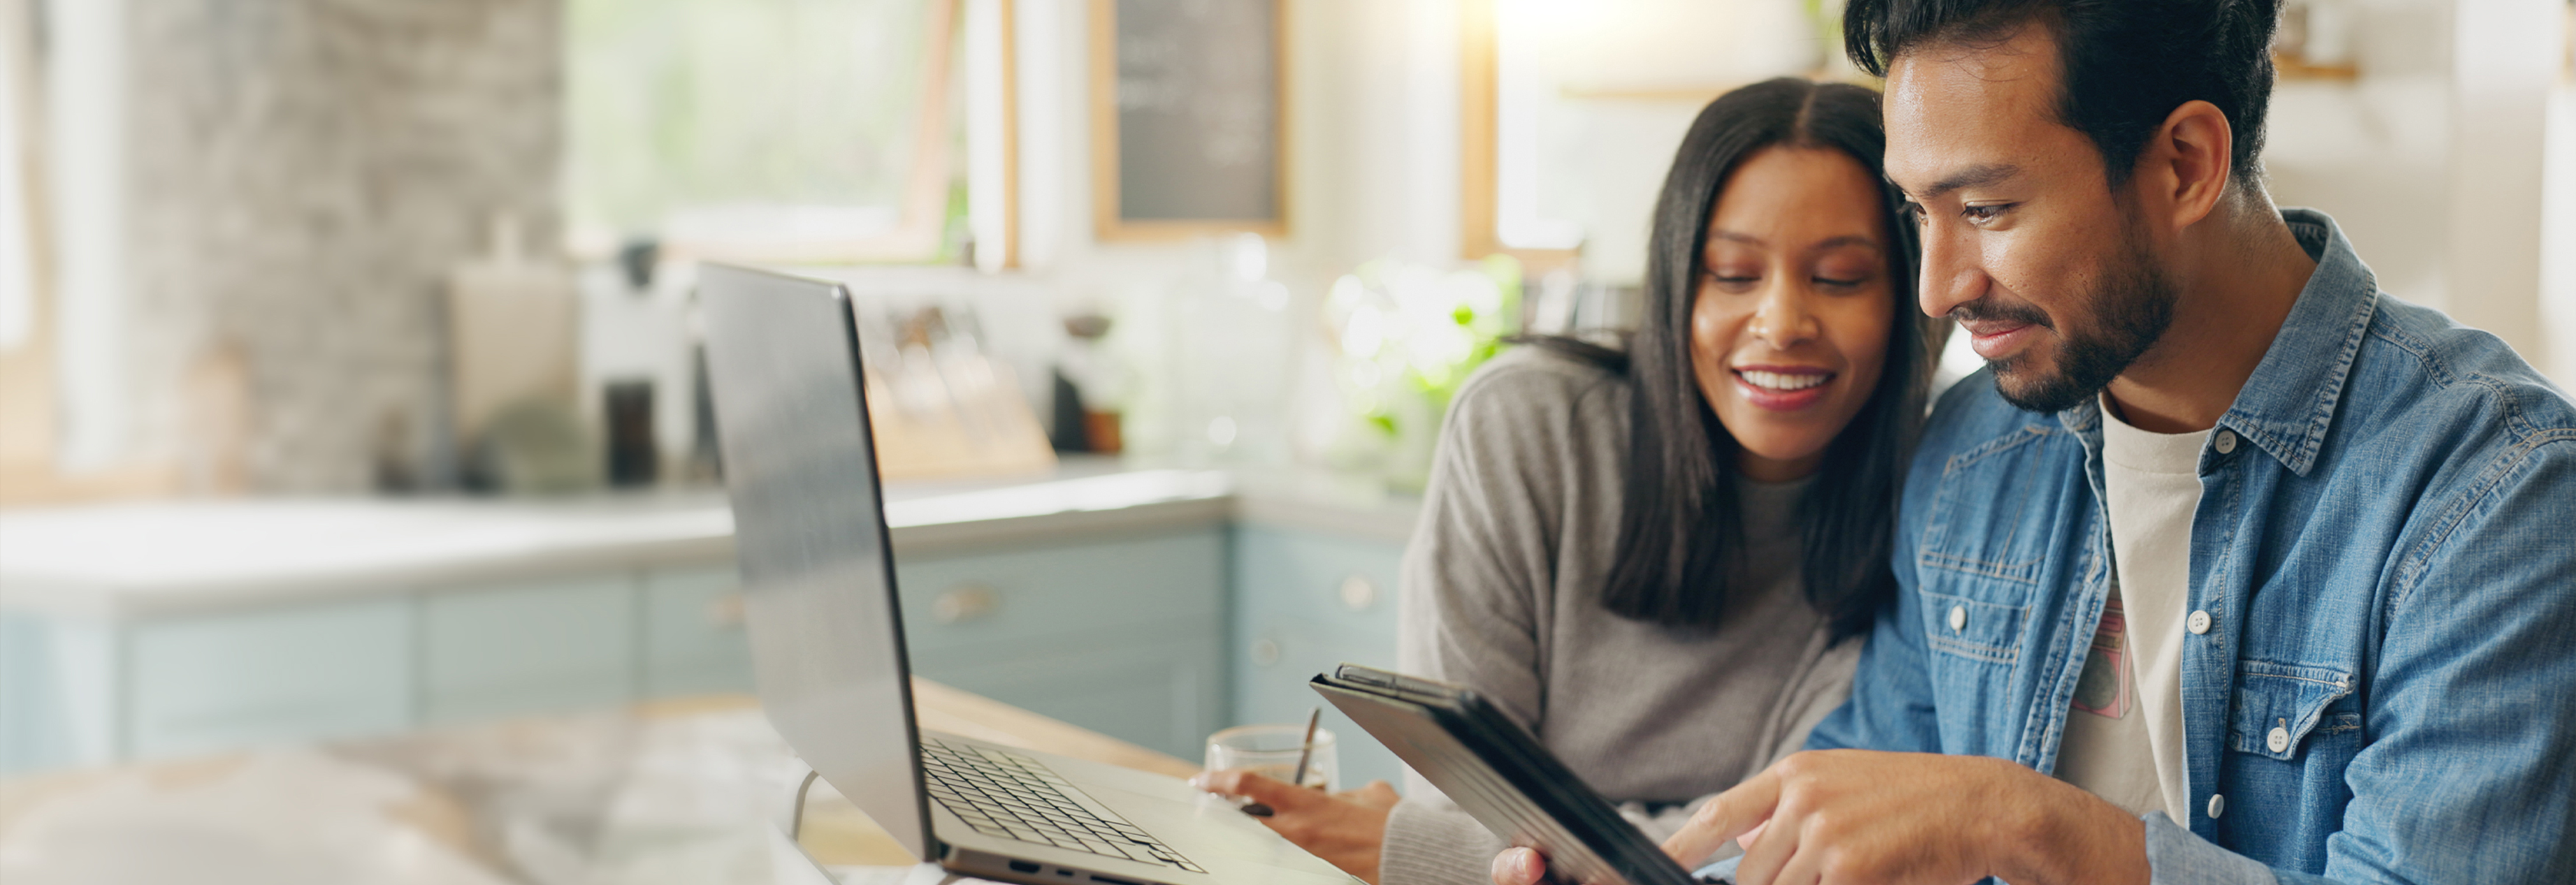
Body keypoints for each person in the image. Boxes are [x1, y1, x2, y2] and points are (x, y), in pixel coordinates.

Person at [1487, 1, 2576, 884]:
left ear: (2188, 162)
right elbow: (1851, 799)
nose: (1938, 286)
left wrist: (2026, 824)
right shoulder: (1971, 452)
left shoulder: (2491, 489)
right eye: (1920, 214)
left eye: (1990, 208)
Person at [1193, 77, 1947, 885]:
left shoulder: (1937, 491)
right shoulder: (1526, 427)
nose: (1781, 321)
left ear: (1909, 297)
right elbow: (1462, 791)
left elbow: (1783, 847)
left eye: (1838, 278)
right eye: (1731, 274)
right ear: (1673, 287)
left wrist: (1407, 848)